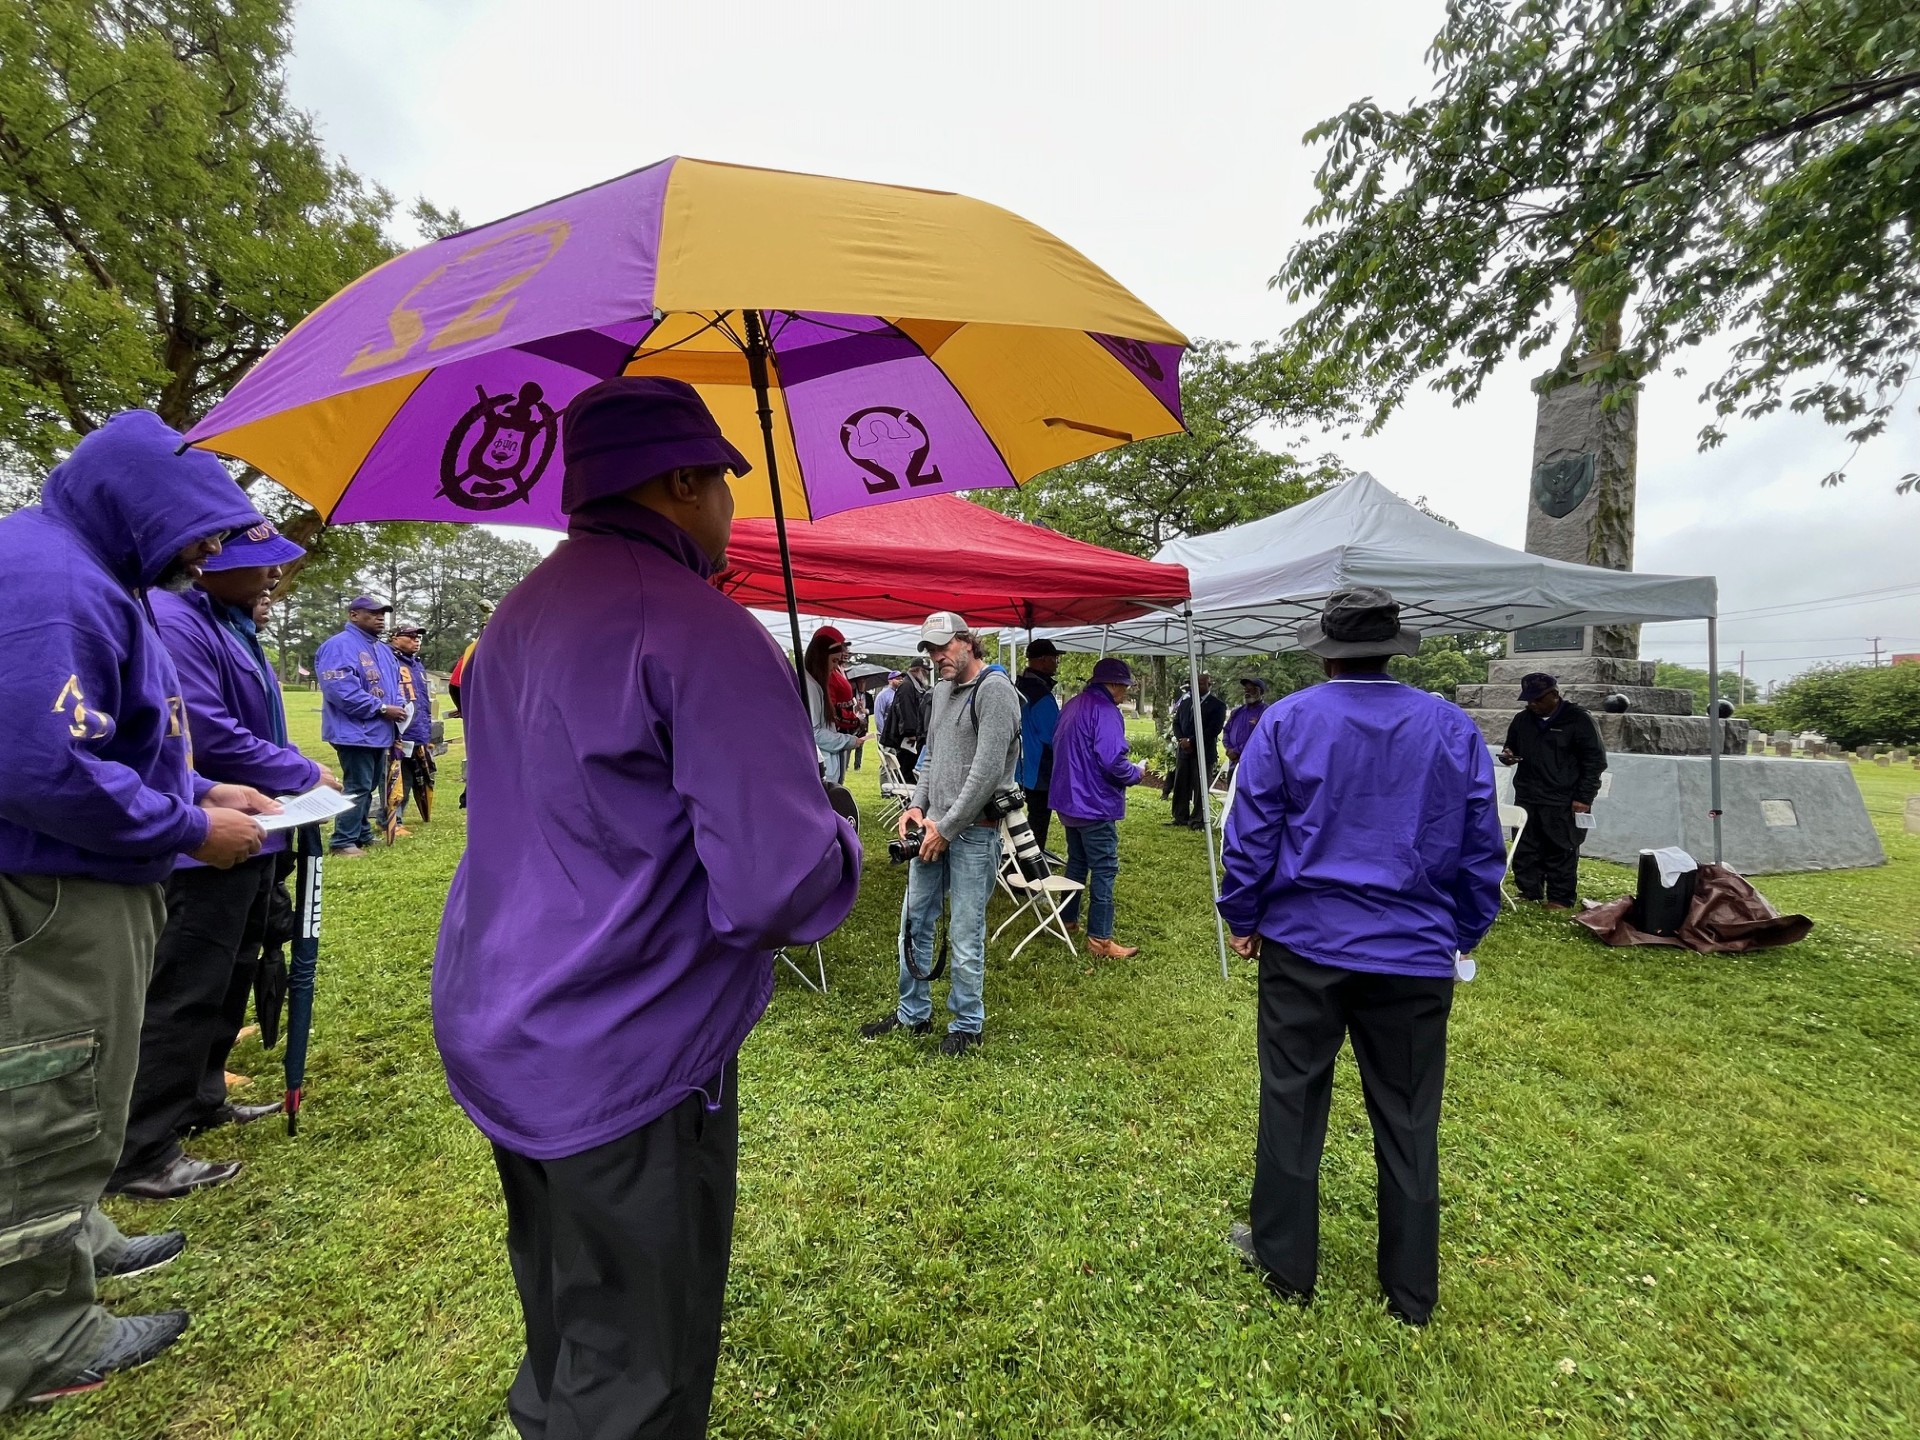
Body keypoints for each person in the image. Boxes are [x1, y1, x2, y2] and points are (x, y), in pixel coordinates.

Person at [433, 376, 861, 1439]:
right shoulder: (698, 628)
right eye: (726, 482)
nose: (733, 507)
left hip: (506, 1028)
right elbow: (776, 886)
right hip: (628, 1054)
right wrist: (838, 826)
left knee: (570, 1319)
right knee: (639, 1383)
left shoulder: (516, 617)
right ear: (683, 482)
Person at [0, 411, 281, 1411]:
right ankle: (38, 1338)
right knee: (48, 1086)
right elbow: (41, 766)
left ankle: (77, 1236)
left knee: (85, 1075)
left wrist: (198, 798)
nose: (210, 553)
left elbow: (103, 742)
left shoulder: (89, 572)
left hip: (97, 870)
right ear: (142, 503)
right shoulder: (53, 579)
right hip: (53, 883)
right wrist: (187, 827)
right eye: (200, 532)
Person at [1217, 587, 1506, 1328]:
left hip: (1306, 945)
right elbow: (1483, 843)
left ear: (1325, 650)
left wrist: (1242, 918)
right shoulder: (1450, 726)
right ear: (1392, 648)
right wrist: (1466, 929)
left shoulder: (1285, 722)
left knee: (1291, 1097)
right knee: (1409, 1118)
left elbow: (1251, 836)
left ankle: (1286, 1266)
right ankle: (1410, 1292)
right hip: (1412, 952)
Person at [110, 521, 332, 1203]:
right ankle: (142, 1145)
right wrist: (298, 769)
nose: (272, 577)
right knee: (185, 986)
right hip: (204, 838)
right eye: (259, 564)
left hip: (253, 829)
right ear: (205, 564)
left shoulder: (226, 619)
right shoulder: (174, 619)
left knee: (230, 973)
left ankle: (201, 1097)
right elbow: (206, 733)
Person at [861, 612, 1020, 1057]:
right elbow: (930, 759)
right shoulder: (943, 692)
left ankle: (967, 1026)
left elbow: (986, 773)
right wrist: (915, 806)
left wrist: (946, 828)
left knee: (966, 935)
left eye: (943, 647)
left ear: (967, 641)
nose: (936, 657)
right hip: (933, 829)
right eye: (929, 650)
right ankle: (913, 1013)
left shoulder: (995, 692)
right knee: (914, 924)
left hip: (971, 834)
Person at [1050, 658, 1162, 959]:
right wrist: (1136, 773)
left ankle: (1068, 919)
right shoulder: (1106, 711)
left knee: (1077, 861)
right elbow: (1113, 761)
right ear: (1113, 685)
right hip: (1093, 803)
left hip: (1068, 800)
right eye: (1124, 687)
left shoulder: (1073, 705)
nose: (1125, 693)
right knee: (1104, 868)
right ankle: (1100, 940)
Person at [1499, 672, 1608, 910]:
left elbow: (1595, 762)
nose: (1533, 705)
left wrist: (1584, 797)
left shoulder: (1579, 720)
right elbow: (1511, 746)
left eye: (1538, 699)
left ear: (1555, 695)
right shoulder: (1522, 720)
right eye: (1529, 700)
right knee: (1526, 845)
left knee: (1561, 847)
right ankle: (1530, 891)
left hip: (1564, 797)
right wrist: (1508, 755)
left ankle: (1560, 897)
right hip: (1528, 794)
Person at [315, 597, 404, 857]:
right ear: (354, 615)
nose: (380, 618)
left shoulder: (383, 650)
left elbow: (393, 686)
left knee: (372, 783)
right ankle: (343, 840)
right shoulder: (338, 646)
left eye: (383, 614)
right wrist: (381, 708)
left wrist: (397, 706)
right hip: (353, 731)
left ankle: (362, 833)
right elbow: (340, 689)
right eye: (373, 613)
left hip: (379, 731)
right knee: (358, 785)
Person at [1013, 639, 1063, 853]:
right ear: (1043, 660)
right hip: (1039, 769)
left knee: (1025, 819)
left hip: (1021, 764)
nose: (1057, 663)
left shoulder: (1019, 685)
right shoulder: (1040, 693)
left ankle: (1020, 860)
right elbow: (1053, 735)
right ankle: (1032, 866)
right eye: (1054, 659)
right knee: (1038, 821)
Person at [388, 623, 434, 833]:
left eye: (418, 637)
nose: (416, 640)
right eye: (410, 636)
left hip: (417, 729)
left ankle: (399, 817)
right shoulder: (388, 660)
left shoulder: (417, 665)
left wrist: (427, 732)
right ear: (395, 638)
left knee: (409, 774)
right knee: (394, 774)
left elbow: (423, 701)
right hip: (397, 727)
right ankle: (391, 820)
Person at [802, 626, 865, 783]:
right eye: (834, 661)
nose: (835, 667)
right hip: (821, 768)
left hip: (826, 766)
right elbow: (815, 733)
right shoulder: (810, 685)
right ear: (820, 657)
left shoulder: (815, 683)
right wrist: (847, 740)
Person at [1169, 672, 1227, 828]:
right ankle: (1180, 817)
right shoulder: (1186, 703)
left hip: (1202, 752)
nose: (1197, 686)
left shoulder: (1217, 705)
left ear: (1209, 685)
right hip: (1184, 751)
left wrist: (1192, 741)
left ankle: (1197, 820)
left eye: (1201, 683)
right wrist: (1182, 740)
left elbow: (1214, 729)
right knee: (1181, 785)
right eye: (1195, 683)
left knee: (1200, 786)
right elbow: (1176, 723)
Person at [880, 657, 932, 782]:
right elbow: (906, 711)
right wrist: (912, 733)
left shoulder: (913, 685)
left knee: (908, 768)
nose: (927, 674)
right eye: (925, 671)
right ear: (917, 670)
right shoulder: (907, 686)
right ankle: (908, 799)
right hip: (907, 739)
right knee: (907, 770)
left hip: (910, 738)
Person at [1222, 675, 1270, 775]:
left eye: (1251, 690)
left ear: (1260, 692)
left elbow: (1260, 738)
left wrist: (1237, 751)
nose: (1247, 692)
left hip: (1253, 764)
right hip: (1234, 762)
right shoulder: (1237, 712)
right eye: (1246, 689)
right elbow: (1226, 731)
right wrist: (1229, 750)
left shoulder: (1266, 712)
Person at [872, 670, 902, 757]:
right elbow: (878, 716)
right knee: (887, 760)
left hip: (895, 734)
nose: (900, 680)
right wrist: (883, 733)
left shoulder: (899, 693)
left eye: (901, 678)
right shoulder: (883, 695)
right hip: (885, 734)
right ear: (890, 680)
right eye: (897, 678)